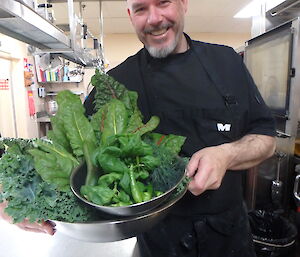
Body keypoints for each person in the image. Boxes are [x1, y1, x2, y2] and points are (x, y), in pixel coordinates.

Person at [0, 0, 276, 256]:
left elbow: (266, 138)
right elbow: (66, 156)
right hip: (157, 243)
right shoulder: (115, 84)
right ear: (130, 15)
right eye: (141, 8)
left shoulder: (226, 62)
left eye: (164, 2)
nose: (154, 19)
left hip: (229, 238)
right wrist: (8, 200)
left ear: (183, 4)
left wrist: (226, 154)